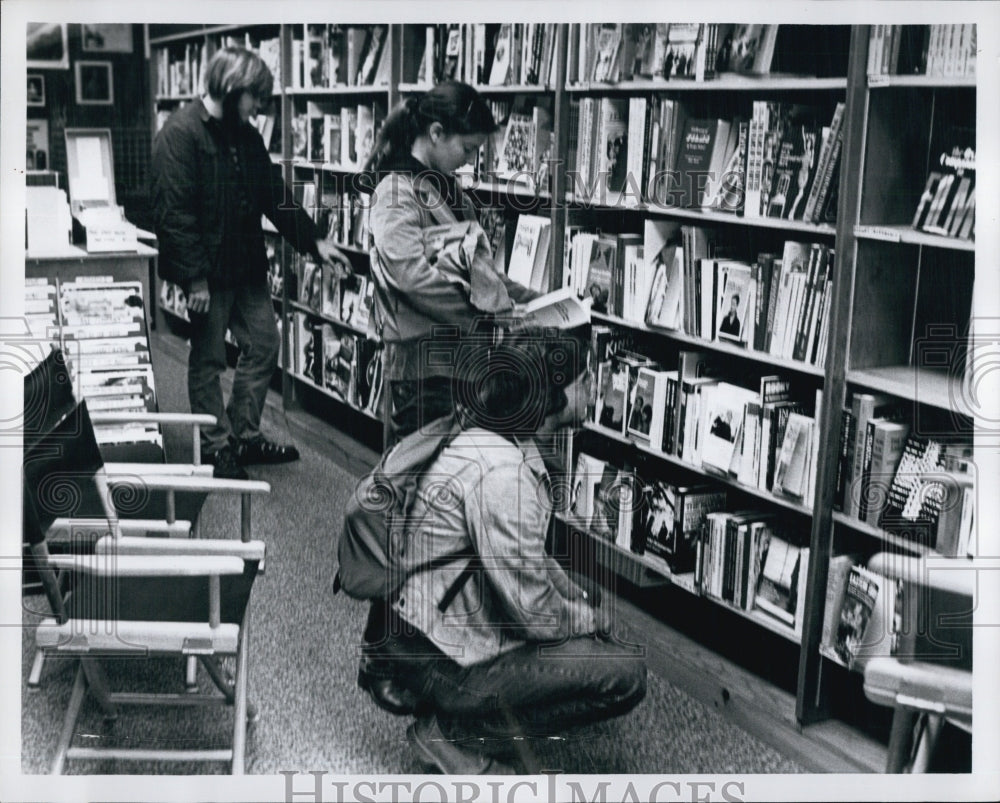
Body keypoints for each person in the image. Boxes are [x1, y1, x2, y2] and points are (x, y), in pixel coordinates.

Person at [367, 329, 647, 774]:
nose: (594, 386)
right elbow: (534, 615)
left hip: (435, 634)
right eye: (585, 378)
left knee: (592, 632)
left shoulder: (502, 439)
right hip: (439, 659)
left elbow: (531, 557)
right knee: (625, 675)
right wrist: (586, 619)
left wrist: (578, 602)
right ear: (554, 392)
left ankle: (469, 717)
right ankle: (453, 735)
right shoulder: (502, 474)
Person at [150, 46, 348, 479]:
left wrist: (315, 241)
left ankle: (244, 435)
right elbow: (173, 214)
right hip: (208, 274)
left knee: (264, 344)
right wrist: (195, 281)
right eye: (254, 96)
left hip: (246, 269)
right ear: (232, 87)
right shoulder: (179, 134)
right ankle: (215, 446)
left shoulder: (247, 135)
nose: (259, 106)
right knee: (208, 360)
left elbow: (272, 194)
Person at [361, 80, 539, 449]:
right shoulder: (395, 191)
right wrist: (488, 314)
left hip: (462, 364)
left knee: (451, 478)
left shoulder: (451, 191)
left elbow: (480, 273)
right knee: (414, 478)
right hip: (422, 367)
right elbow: (409, 276)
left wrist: (538, 300)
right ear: (437, 133)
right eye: (469, 148)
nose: (472, 160)